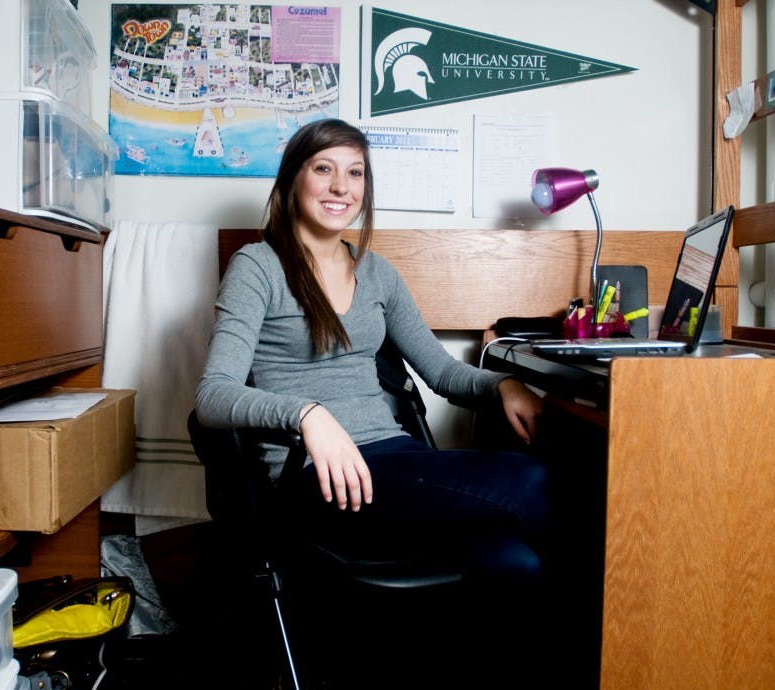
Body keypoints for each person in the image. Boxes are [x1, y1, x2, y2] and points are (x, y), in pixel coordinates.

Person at [195, 118, 555, 684]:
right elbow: (212, 396)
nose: (341, 186)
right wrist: (306, 414)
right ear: (292, 180)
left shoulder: (378, 274)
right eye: (324, 169)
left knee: (516, 561)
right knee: (530, 480)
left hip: (394, 459)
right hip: (318, 478)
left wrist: (503, 384)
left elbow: (441, 372)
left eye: (355, 173)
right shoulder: (257, 267)